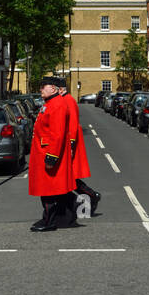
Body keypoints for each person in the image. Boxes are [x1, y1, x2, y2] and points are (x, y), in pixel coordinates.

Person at [27, 76, 79, 232]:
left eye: (44, 86)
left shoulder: (57, 104)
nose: (41, 89)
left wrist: (52, 157)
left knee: (48, 190)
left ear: (54, 89)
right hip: (43, 151)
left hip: (48, 152)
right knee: (50, 189)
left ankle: (49, 221)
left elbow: (57, 134)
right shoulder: (50, 103)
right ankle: (64, 216)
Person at [58, 84, 101, 218]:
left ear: (61, 89)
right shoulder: (64, 100)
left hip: (71, 143)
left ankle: (92, 196)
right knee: (66, 177)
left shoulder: (68, 100)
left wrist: (70, 144)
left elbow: (72, 124)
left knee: (70, 177)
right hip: (67, 144)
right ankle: (64, 208)